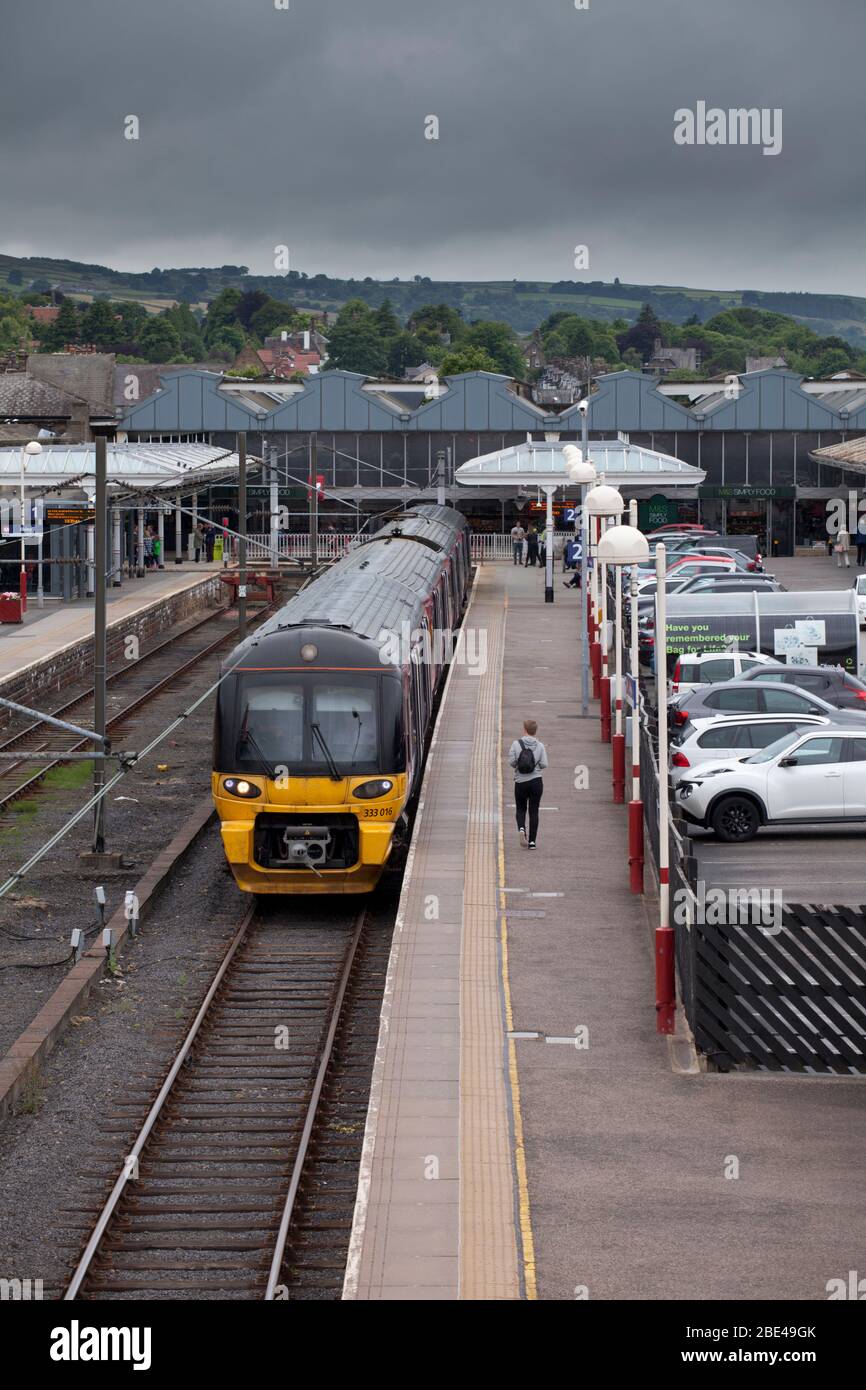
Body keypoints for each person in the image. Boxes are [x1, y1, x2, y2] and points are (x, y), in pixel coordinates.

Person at [508, 718, 548, 851]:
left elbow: (512, 762)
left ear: (524, 730)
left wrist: (520, 765)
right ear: (535, 731)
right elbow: (544, 764)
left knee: (520, 808)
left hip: (520, 782)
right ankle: (532, 842)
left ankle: (521, 828)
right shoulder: (540, 746)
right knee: (534, 810)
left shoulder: (516, 744)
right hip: (536, 782)